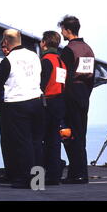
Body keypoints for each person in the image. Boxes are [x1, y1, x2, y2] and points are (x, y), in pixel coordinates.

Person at [0, 29, 45, 188]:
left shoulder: (8, 60)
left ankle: (25, 179)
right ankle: (38, 180)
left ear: (5, 42)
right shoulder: (34, 56)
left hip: (17, 105)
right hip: (37, 102)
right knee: (36, 142)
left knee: (22, 143)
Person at [58, 15, 95, 184]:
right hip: (83, 93)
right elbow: (91, 77)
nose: (61, 32)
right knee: (81, 134)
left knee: (70, 135)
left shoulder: (68, 50)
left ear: (67, 30)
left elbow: (62, 76)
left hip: (70, 92)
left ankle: (77, 174)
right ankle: (80, 172)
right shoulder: (87, 49)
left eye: (62, 29)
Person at [39, 31, 67, 185]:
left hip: (47, 103)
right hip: (59, 102)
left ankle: (44, 174)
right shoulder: (60, 61)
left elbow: (42, 84)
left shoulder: (46, 61)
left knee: (42, 139)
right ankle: (54, 173)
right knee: (55, 140)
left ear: (44, 43)